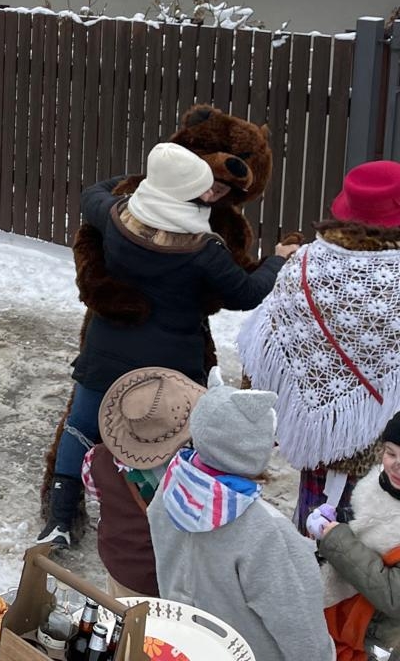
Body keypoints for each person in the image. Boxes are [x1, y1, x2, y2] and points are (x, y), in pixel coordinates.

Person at [39, 141, 288, 547]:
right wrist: (278, 259)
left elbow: (92, 194)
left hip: (107, 350)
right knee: (168, 442)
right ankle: (161, 524)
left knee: (81, 428)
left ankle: (60, 520)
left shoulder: (118, 217)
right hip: (170, 364)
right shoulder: (203, 249)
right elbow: (245, 293)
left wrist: (142, 180)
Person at [241, 160, 400, 532]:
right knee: (381, 542)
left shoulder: (304, 262)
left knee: (318, 531)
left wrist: (255, 416)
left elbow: (265, 344)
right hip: (391, 446)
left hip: (321, 440)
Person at [148, 369, 332, 661]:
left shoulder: (170, 491)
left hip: (182, 645)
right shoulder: (265, 531)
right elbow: (302, 632)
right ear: (254, 446)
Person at [82, 366, 204, 599]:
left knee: (120, 612)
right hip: (171, 578)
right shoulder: (191, 471)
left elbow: (96, 494)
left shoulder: (95, 459)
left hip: (120, 564)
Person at [314, 411, 400, 661]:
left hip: (380, 641)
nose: (396, 465)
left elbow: (393, 595)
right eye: (391, 453)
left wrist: (336, 540)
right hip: (345, 621)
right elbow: (366, 528)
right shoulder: (377, 484)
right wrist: (335, 522)